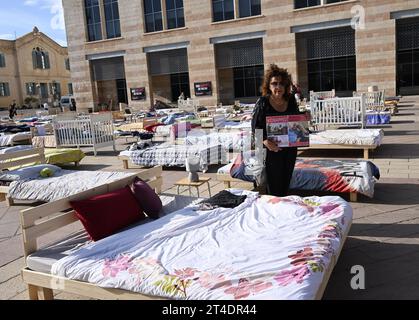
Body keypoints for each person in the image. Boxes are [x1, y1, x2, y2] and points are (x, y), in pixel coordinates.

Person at [251, 64, 303, 197]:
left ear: (286, 86)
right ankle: (273, 211)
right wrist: (264, 141)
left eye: (281, 84)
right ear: (268, 86)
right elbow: (255, 127)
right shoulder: (263, 102)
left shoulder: (291, 100)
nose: (278, 87)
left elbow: (296, 120)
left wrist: (305, 117)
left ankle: (282, 209)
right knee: (273, 186)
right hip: (271, 151)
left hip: (289, 150)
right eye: (274, 83)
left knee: (285, 182)